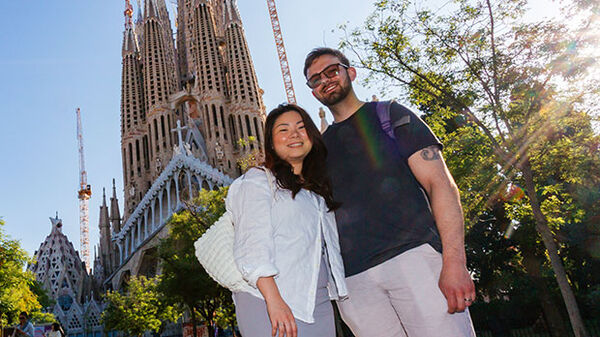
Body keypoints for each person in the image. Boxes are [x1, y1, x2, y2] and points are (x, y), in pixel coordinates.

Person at [303, 47, 476, 337]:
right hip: (354, 283)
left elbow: (441, 185)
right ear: (313, 92)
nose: (325, 80)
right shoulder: (317, 151)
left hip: (414, 261)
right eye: (315, 79)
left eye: (332, 71)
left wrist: (455, 261)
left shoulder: (390, 115)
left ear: (350, 72)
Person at [228, 104, 348, 337]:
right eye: (283, 130)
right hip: (271, 300)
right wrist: (274, 301)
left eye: (301, 128)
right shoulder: (258, 181)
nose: (294, 134)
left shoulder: (316, 193)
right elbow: (252, 246)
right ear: (271, 143)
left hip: (318, 302)